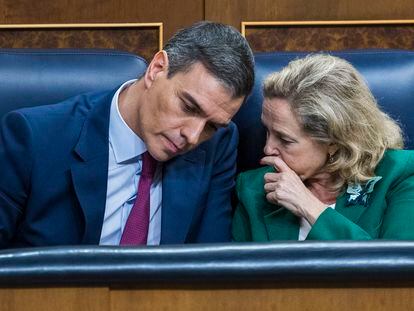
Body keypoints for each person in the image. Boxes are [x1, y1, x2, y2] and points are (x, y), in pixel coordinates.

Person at [0, 21, 255, 247]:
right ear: (156, 69)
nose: (193, 135)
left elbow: (209, 264)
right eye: (188, 107)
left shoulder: (219, 142)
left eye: (211, 125)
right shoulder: (33, 138)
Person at [232, 54, 414, 241]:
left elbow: (397, 264)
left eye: (285, 140)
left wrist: (309, 206)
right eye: (267, 131)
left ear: (334, 142)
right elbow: (239, 268)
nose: (268, 148)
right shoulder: (253, 189)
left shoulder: (400, 175)